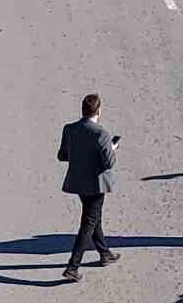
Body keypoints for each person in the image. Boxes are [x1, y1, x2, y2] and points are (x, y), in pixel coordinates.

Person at [58, 94, 120, 282]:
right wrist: (112, 148)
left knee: (94, 218)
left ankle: (104, 253)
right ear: (98, 111)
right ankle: (72, 266)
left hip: (77, 183)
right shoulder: (101, 134)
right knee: (89, 222)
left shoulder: (69, 129)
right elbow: (109, 163)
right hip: (95, 184)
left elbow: (62, 156)